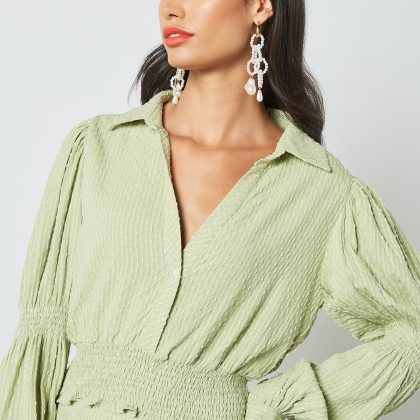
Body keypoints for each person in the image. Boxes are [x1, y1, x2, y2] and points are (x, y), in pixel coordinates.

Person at [1, 0, 419, 419]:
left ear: (260, 7)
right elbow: (40, 337)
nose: (171, 10)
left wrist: (279, 406)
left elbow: (412, 336)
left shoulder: (322, 194)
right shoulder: (96, 148)